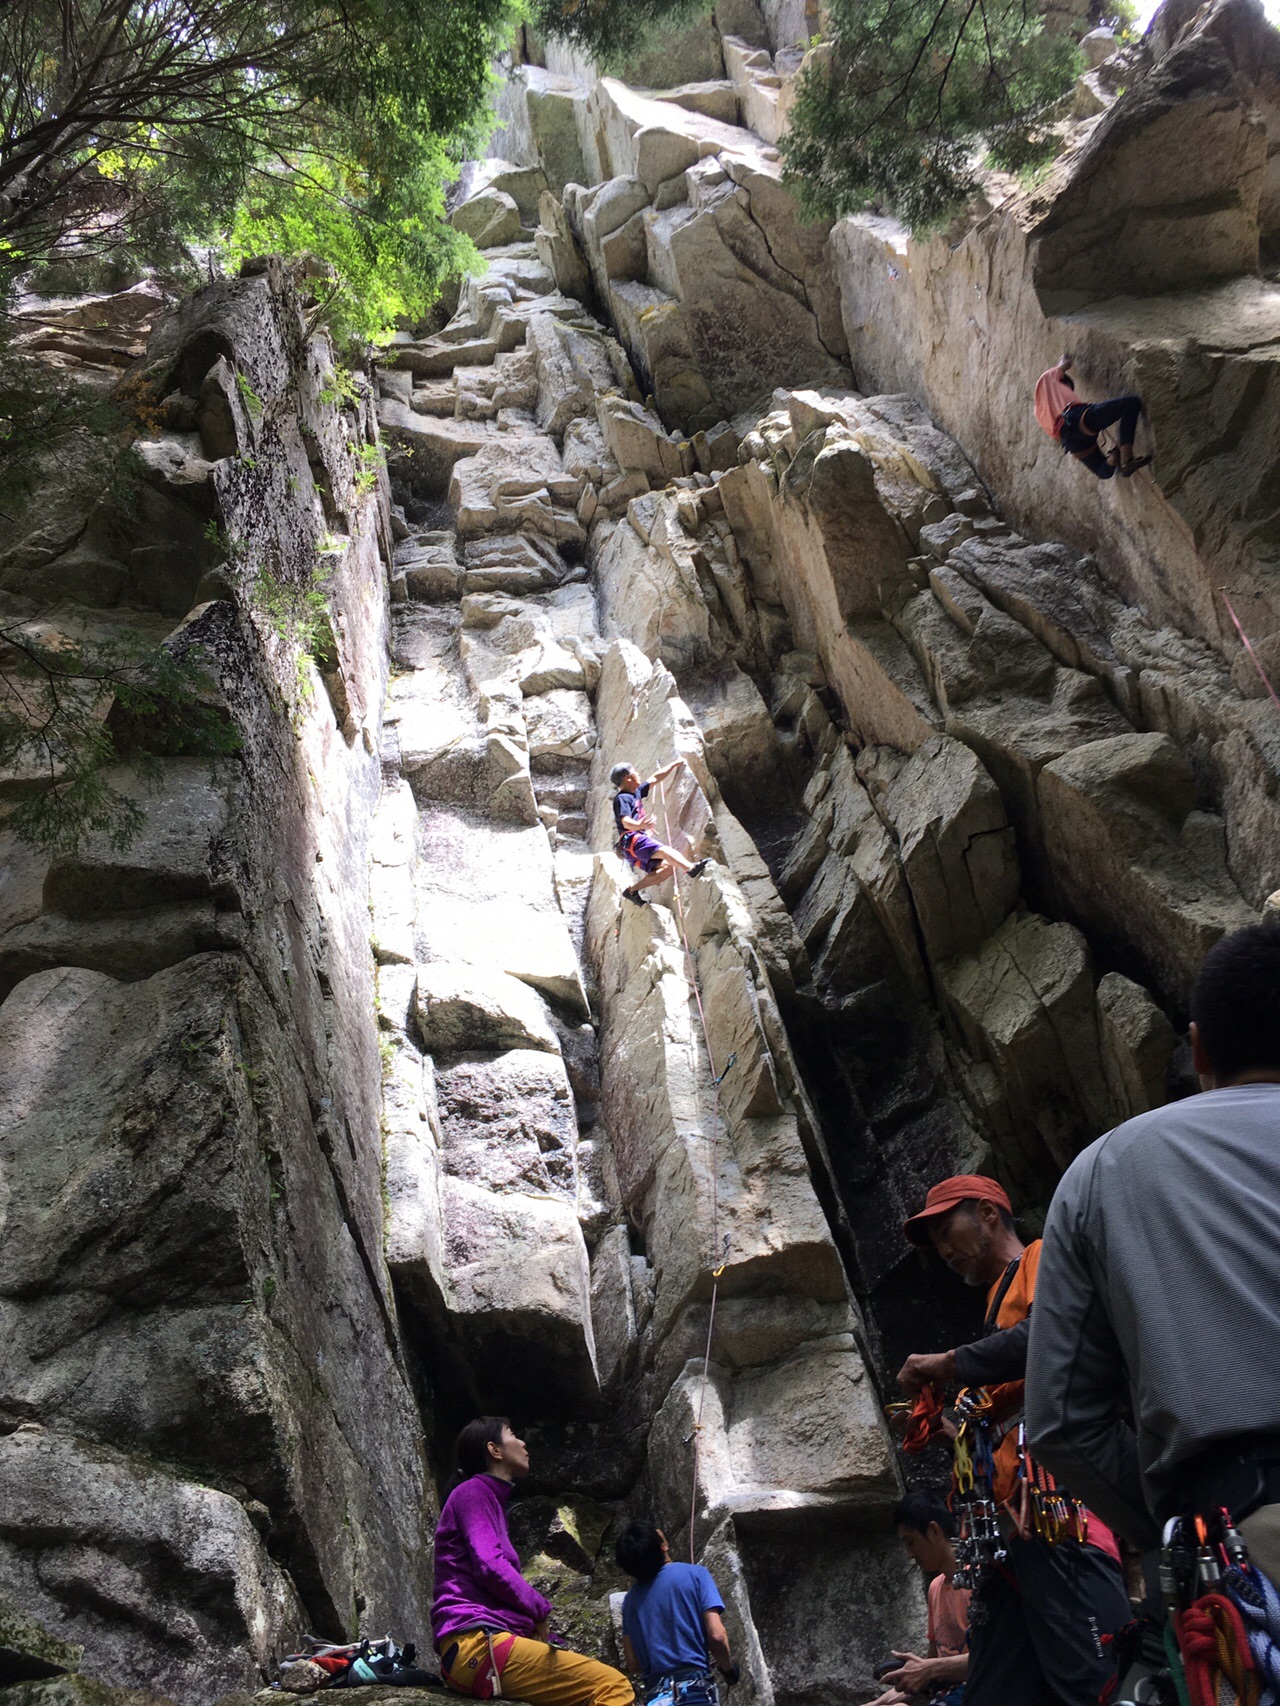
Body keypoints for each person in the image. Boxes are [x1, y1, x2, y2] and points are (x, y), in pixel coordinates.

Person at [1027, 923, 1280, 1581]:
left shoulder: (1105, 1170)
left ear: (1197, 1049)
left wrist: (1178, 1531)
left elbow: (1060, 1423)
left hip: (1247, 1536)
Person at [895, 1175, 1129, 1706]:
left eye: (946, 1230)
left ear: (988, 1213)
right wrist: (953, 1430)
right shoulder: (996, 1303)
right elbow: (1012, 1408)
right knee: (998, 1690)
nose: (942, 1250)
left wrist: (951, 1362)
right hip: (1009, 1531)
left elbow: (1052, 1334)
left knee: (1091, 1683)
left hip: (1054, 1511)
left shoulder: (1043, 1258)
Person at [433, 1417, 633, 1706]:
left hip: (476, 1646)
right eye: (512, 1434)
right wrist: (539, 1610)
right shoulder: (473, 1492)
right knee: (613, 1687)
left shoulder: (486, 1499)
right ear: (495, 1450)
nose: (523, 1443)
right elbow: (490, 1565)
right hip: (477, 1643)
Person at [614, 1521, 738, 1706]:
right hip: (694, 1692)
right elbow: (716, 1635)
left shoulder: (630, 1601)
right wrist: (728, 1670)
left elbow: (633, 1663)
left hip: (655, 1696)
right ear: (662, 1546)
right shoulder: (696, 1575)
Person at [868, 1491, 970, 1706]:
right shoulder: (935, 1588)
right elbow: (932, 1671)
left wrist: (929, 1669)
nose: (909, 1554)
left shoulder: (981, 1581)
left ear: (933, 1531)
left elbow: (996, 1661)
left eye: (911, 1542)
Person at [1034, 355, 1151, 480]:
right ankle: (1127, 458)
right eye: (1069, 388)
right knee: (1131, 403)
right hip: (1076, 417)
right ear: (1064, 382)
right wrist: (1065, 357)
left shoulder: (1039, 415)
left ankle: (1114, 457)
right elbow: (1065, 363)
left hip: (1069, 440)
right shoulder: (1048, 378)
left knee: (1103, 472)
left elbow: (1058, 438)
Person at [610, 760, 709, 908]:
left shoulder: (635, 793)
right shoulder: (622, 798)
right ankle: (691, 868)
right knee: (666, 851)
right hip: (632, 839)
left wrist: (674, 764)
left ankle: (632, 891)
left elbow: (655, 778)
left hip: (632, 847)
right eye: (635, 772)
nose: (639, 774)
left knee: (668, 868)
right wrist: (641, 825)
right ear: (628, 777)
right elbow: (625, 821)